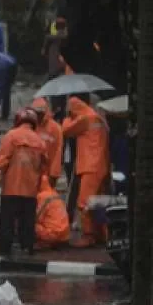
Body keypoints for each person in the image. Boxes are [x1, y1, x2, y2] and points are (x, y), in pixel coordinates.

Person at [0, 109, 48, 256]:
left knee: (7, 222)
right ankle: (27, 247)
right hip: (30, 190)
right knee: (27, 222)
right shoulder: (39, 141)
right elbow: (43, 166)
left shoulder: (11, 136)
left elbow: (1, 161)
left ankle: (4, 249)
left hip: (11, 188)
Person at [62, 96, 111, 247]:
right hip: (101, 165)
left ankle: (88, 236)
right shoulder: (98, 118)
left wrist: (67, 118)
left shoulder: (84, 118)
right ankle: (102, 234)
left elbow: (66, 130)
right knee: (99, 203)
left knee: (84, 202)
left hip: (90, 166)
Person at [30, 98, 64, 186]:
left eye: (40, 112)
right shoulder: (30, 126)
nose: (38, 115)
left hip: (47, 173)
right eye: (36, 112)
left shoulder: (55, 128)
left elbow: (58, 152)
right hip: (31, 172)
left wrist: (54, 174)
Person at [35, 176, 71, 249]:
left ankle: (45, 242)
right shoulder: (54, 194)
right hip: (65, 235)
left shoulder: (42, 196)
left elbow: (37, 217)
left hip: (54, 234)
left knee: (28, 222)